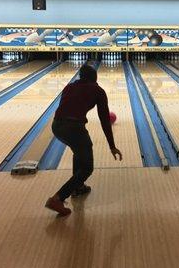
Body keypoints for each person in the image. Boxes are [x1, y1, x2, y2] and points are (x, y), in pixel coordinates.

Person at [45, 64, 122, 216]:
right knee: (87, 168)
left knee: (78, 150)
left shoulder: (68, 87)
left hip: (57, 126)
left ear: (80, 77)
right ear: (96, 78)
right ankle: (57, 198)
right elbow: (104, 120)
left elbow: (66, 108)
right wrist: (112, 146)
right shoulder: (98, 91)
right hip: (74, 127)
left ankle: (78, 187)